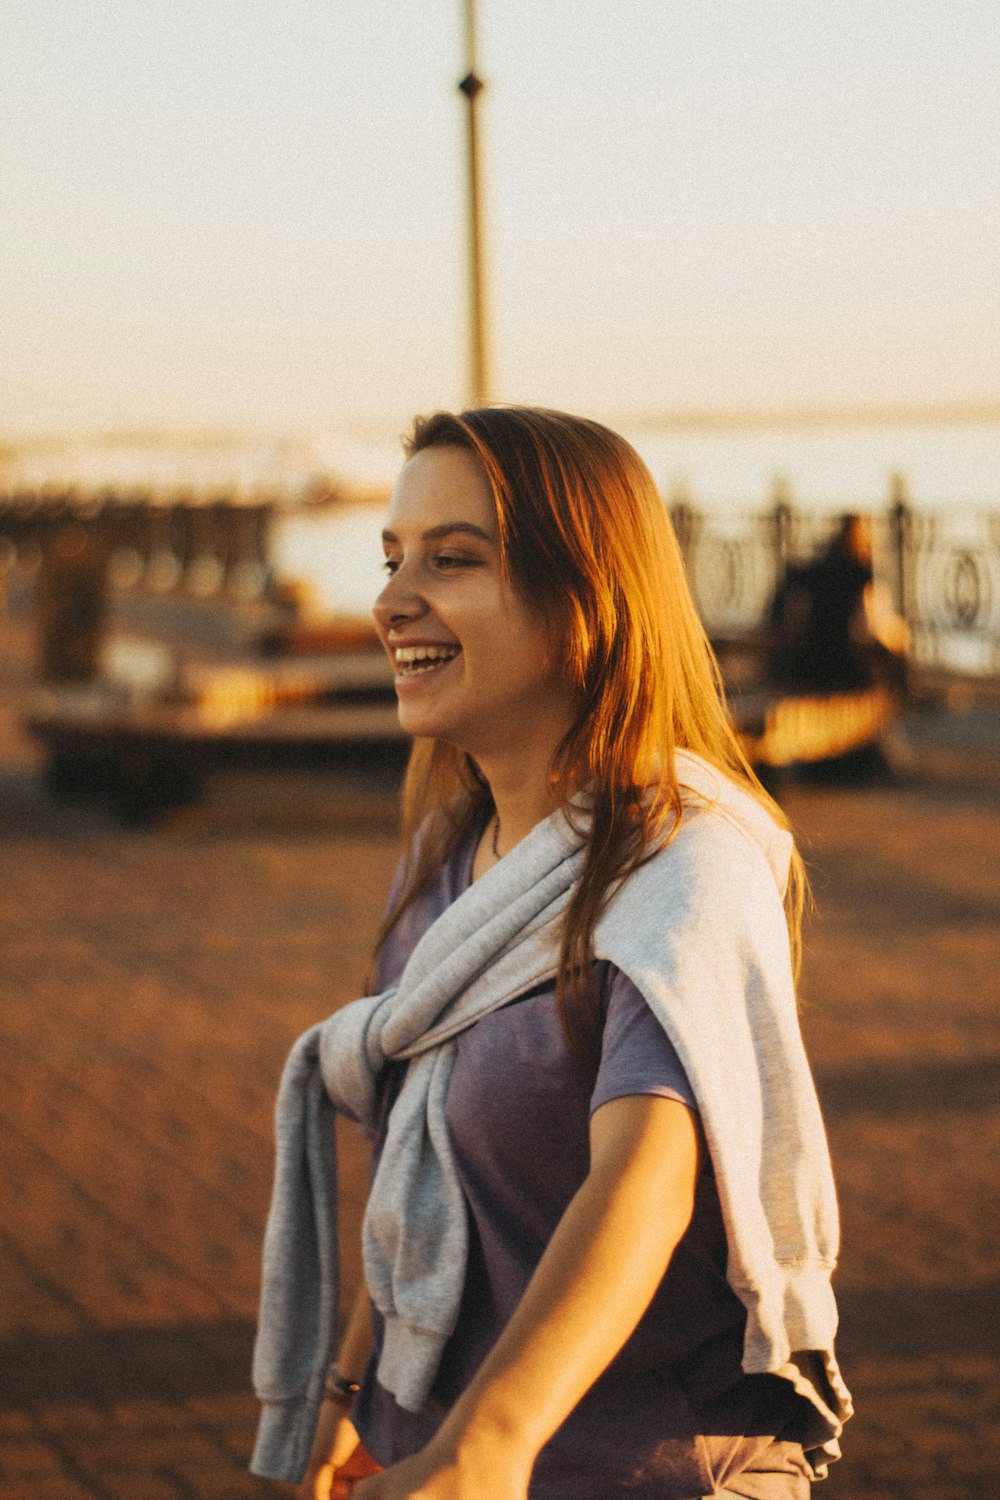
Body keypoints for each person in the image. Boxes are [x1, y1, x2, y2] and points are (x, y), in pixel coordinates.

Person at [250, 407, 852, 1500]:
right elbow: (413, 1164)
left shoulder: (682, 869)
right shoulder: (449, 857)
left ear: (584, 599)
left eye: (453, 560)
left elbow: (642, 1182)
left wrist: (492, 1441)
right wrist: (347, 1400)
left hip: (640, 1473)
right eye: (391, 560)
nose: (391, 602)